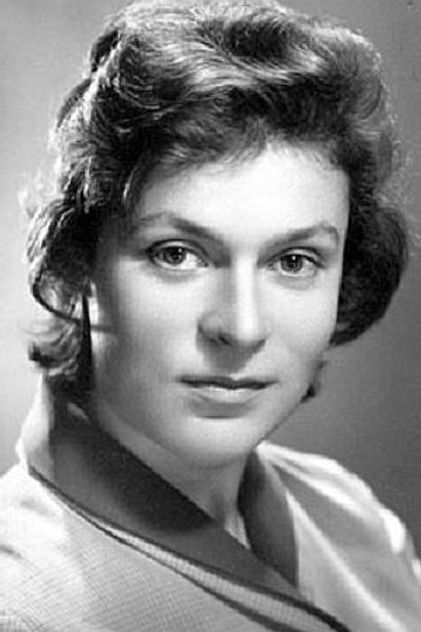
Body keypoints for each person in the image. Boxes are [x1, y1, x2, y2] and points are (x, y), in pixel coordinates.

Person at [1, 1, 420, 630]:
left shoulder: (351, 518)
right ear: (80, 265)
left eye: (294, 261)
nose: (242, 328)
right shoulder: (21, 601)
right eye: (177, 254)